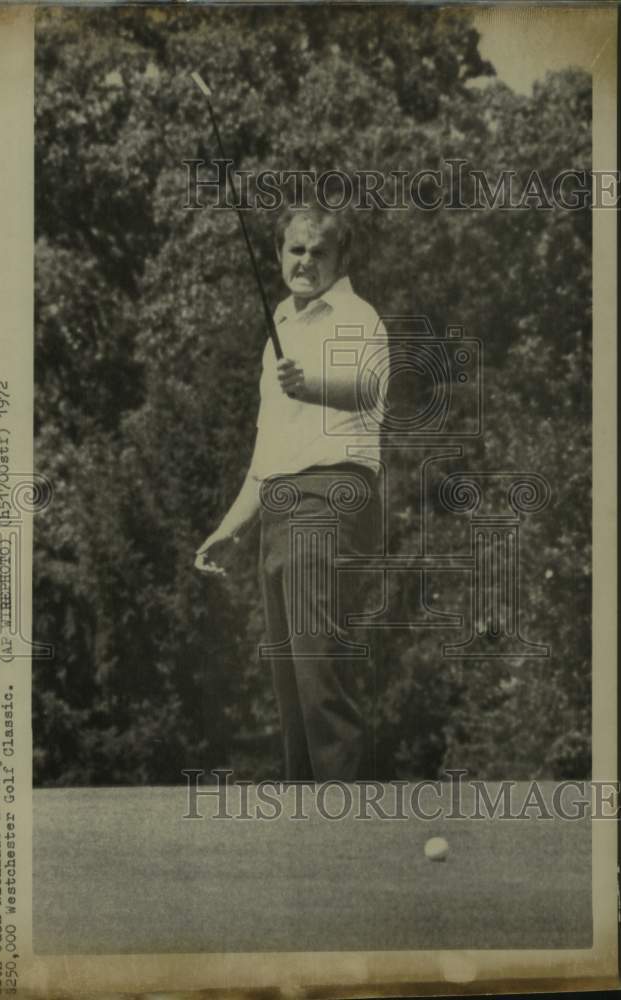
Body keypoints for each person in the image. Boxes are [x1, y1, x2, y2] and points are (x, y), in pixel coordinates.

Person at [195, 204, 388, 781]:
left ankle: (342, 815)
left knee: (317, 666)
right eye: (295, 249)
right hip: (280, 506)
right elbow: (266, 455)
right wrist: (230, 529)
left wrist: (310, 384)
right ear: (280, 255)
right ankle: (306, 833)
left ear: (341, 259)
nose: (305, 260)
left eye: (318, 251)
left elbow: (372, 391)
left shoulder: (356, 315)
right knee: (290, 675)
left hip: (331, 497)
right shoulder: (279, 327)